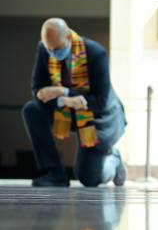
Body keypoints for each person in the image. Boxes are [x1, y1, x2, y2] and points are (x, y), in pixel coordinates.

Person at [22, 18, 126, 187]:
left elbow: (101, 101)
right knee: (32, 110)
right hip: (67, 110)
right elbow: (38, 89)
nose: (53, 53)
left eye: (57, 49)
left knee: (88, 178)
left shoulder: (95, 53)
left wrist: (63, 92)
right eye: (49, 49)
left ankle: (113, 159)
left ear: (69, 38)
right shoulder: (44, 49)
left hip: (97, 116)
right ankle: (55, 173)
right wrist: (65, 99)